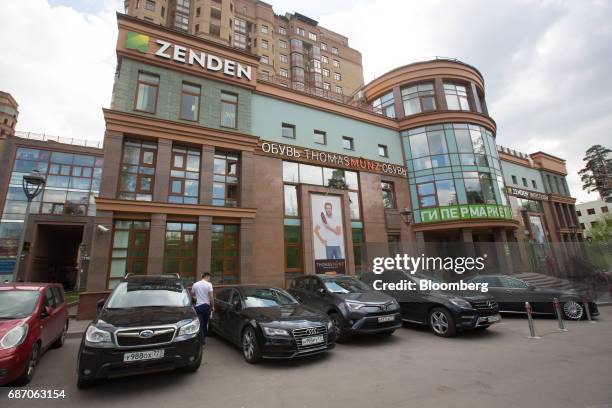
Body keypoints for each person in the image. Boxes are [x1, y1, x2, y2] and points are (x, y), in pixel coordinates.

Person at [191, 272, 214, 345]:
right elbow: (211, 297)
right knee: (205, 324)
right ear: (207, 276)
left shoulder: (195, 284)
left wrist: (196, 298)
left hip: (198, 307)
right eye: (209, 277)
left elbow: (192, 294)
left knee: (200, 324)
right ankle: (203, 340)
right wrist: (212, 306)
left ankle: (200, 340)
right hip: (206, 306)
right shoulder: (209, 284)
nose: (209, 279)